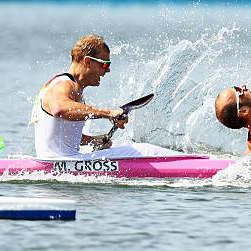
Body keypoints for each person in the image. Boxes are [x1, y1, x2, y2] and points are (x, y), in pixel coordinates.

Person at [31, 34, 178, 159]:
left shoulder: (68, 87)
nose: (108, 71)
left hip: (64, 162)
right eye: (105, 65)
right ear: (87, 61)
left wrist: (93, 140)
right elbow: (59, 109)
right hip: (63, 162)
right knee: (146, 151)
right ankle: (198, 165)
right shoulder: (64, 84)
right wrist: (108, 113)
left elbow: (59, 135)